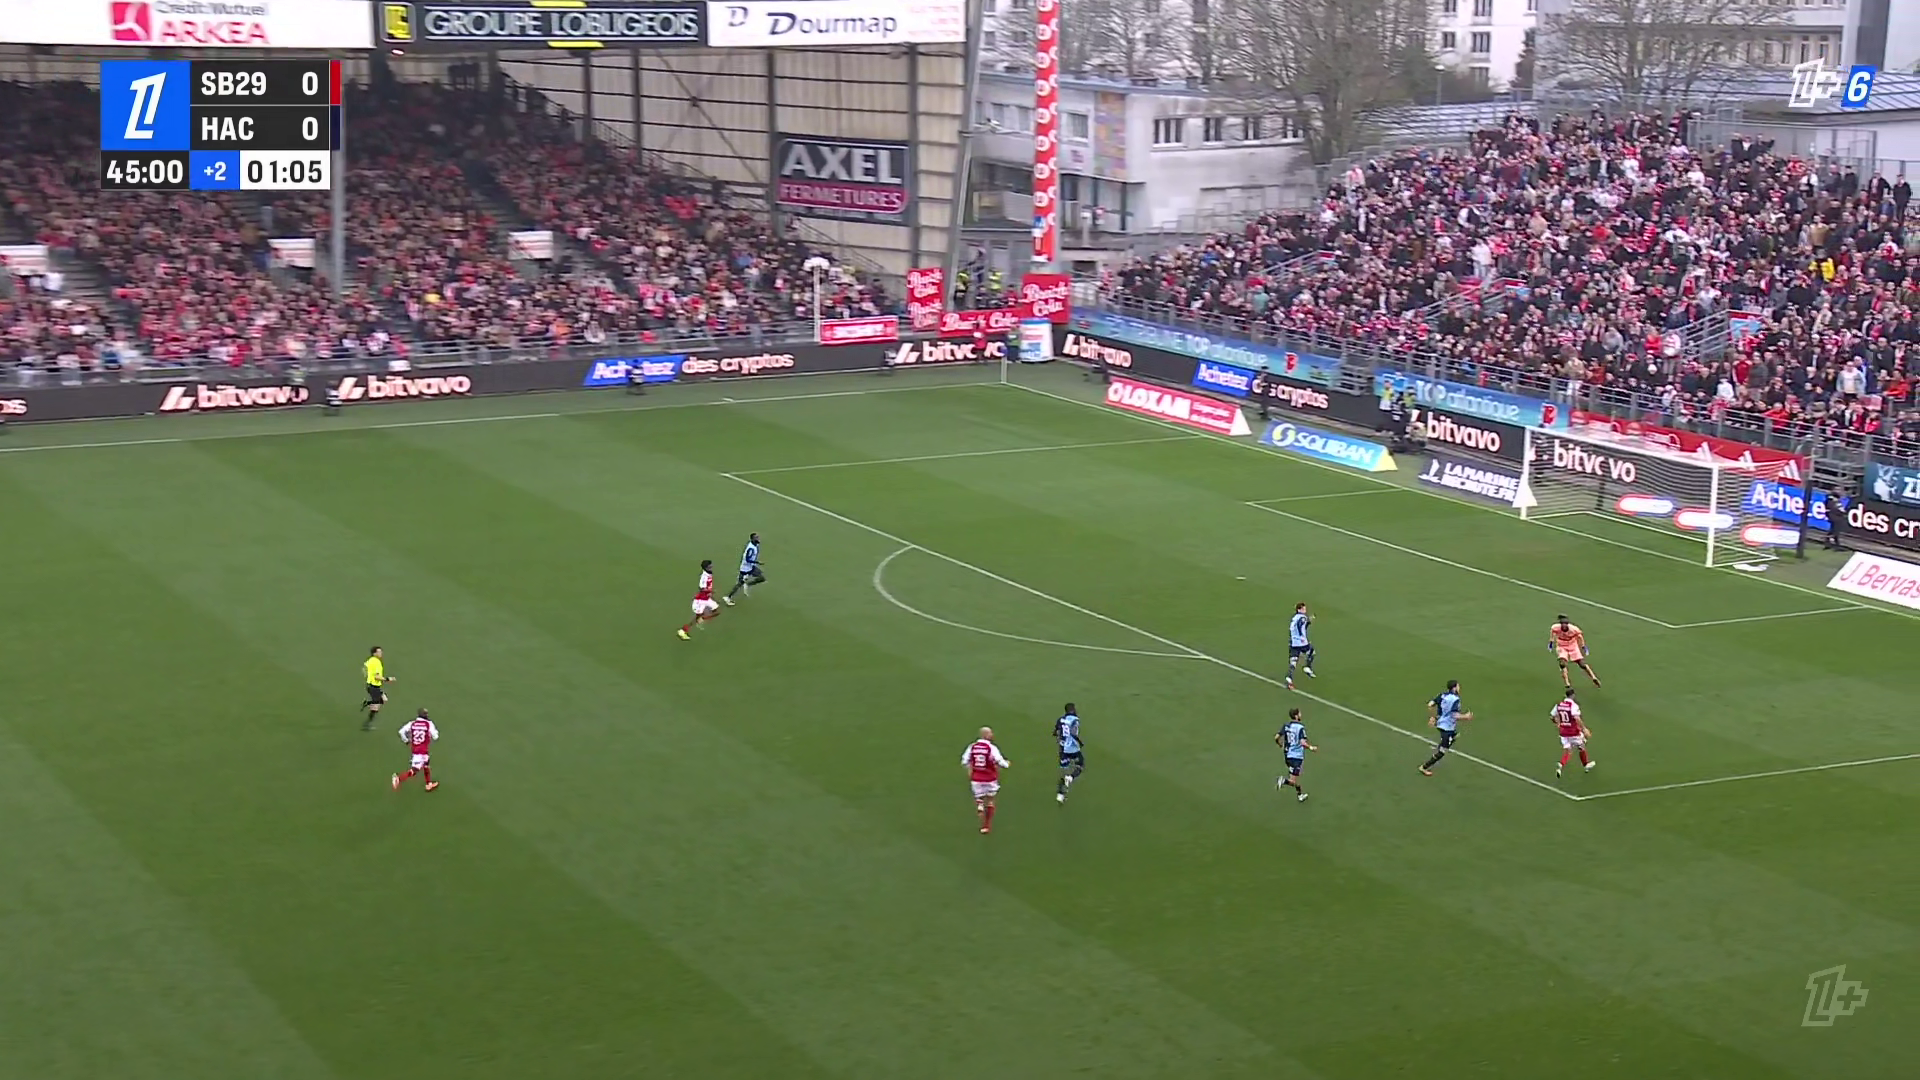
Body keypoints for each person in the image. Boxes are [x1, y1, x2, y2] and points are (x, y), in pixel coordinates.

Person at [962, 726, 1011, 834]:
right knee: (990, 800)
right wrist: (1006, 764)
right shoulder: (991, 747)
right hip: (990, 778)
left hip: (976, 778)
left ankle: (980, 805)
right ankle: (986, 825)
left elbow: (965, 761)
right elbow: (999, 760)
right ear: (987, 735)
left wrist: (970, 769)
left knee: (979, 798)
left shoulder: (972, 747)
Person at [1420, 679, 1471, 776]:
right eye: (1458, 686)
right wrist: (1466, 717)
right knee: (1442, 752)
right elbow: (1454, 715)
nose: (1459, 688)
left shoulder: (1442, 695)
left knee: (1455, 735)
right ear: (1454, 688)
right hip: (1447, 728)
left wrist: (1432, 717)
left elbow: (1430, 704)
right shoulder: (1455, 699)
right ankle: (1424, 767)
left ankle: (1446, 742)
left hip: (1440, 723)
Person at [392, 708, 440, 792]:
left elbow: (401, 732)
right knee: (414, 770)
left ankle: (428, 784)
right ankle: (399, 778)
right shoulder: (428, 724)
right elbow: (435, 736)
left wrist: (406, 740)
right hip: (421, 751)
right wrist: (431, 735)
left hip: (416, 749)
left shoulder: (412, 723)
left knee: (426, 764)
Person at [1549, 615, 1601, 689]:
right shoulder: (1555, 627)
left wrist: (1583, 646)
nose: (1564, 626)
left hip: (1572, 645)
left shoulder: (1574, 629)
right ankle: (1567, 683)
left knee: (1582, 664)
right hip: (1561, 645)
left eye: (1565, 624)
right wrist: (1551, 642)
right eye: (1562, 624)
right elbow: (1553, 632)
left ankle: (1594, 677)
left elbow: (1580, 636)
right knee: (1562, 664)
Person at [1275, 707, 1317, 802]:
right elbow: (1302, 743)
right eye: (1300, 713)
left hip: (1287, 756)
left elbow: (1276, 737)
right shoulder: (1300, 728)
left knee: (1294, 778)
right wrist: (1311, 748)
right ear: (1296, 716)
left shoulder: (1286, 726)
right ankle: (1283, 780)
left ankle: (1300, 795)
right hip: (1296, 757)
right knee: (1293, 780)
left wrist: (1280, 744)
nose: (1301, 715)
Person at [1552, 689, 1594, 778]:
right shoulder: (1573, 706)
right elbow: (1577, 718)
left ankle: (1561, 764)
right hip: (1573, 732)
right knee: (1582, 746)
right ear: (1573, 696)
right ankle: (1586, 764)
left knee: (1568, 751)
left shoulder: (1558, 705)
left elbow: (1553, 716)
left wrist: (1558, 724)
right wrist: (1584, 729)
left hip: (1563, 732)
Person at [678, 560, 721, 639]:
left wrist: (710, 593)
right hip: (700, 600)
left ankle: (701, 619)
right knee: (696, 617)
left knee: (717, 611)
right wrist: (711, 591)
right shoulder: (704, 576)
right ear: (706, 567)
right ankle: (683, 631)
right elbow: (701, 588)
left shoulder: (709, 573)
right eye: (710, 566)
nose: (712, 566)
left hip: (706, 598)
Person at [1054, 704, 1084, 803]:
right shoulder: (1075, 720)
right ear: (1072, 710)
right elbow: (1073, 733)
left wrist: (1059, 738)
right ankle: (1071, 777)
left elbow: (1056, 731)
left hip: (1063, 749)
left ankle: (1060, 795)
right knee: (1080, 764)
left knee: (1063, 771)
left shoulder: (1060, 719)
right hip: (1072, 748)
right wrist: (1080, 742)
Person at [724, 533, 765, 604]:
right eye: (756, 537)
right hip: (745, 569)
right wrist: (757, 562)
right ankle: (728, 597)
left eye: (758, 537)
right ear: (752, 539)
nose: (758, 538)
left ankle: (747, 584)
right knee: (739, 584)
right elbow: (747, 559)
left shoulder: (756, 545)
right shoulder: (751, 548)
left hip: (751, 567)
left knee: (762, 578)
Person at [361, 646, 394, 731]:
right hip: (373, 687)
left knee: (384, 699)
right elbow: (377, 677)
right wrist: (388, 679)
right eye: (379, 652)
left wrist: (367, 676)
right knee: (376, 706)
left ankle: (368, 703)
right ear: (374, 653)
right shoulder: (376, 662)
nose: (381, 653)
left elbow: (364, 668)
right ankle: (367, 724)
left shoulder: (370, 660)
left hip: (371, 685)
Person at [1285, 603, 1316, 689]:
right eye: (1303, 609)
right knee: (1312, 652)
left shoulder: (1294, 618)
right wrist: (1301, 636)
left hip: (1293, 643)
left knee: (1293, 662)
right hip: (1301, 642)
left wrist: (1308, 622)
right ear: (1299, 610)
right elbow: (1300, 625)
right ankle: (1307, 667)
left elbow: (1302, 626)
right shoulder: (1302, 617)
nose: (1305, 610)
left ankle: (1289, 678)